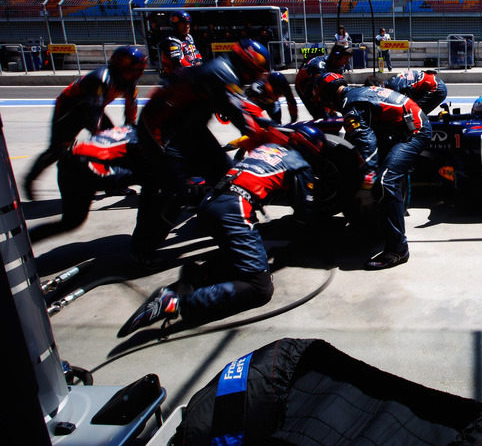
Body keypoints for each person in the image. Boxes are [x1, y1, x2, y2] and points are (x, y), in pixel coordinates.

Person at [117, 124, 325, 337]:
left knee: (245, 254)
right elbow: (304, 213)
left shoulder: (269, 148)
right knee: (258, 288)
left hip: (211, 201)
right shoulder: (300, 164)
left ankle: (196, 276)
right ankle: (176, 303)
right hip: (235, 208)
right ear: (311, 149)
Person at [131, 39, 286, 263]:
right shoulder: (221, 73)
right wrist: (271, 135)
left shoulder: (226, 72)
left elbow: (243, 107)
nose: (255, 78)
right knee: (174, 193)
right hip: (162, 131)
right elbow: (241, 114)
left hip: (188, 128)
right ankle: (142, 251)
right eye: (254, 72)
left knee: (226, 174)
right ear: (245, 65)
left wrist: (270, 127)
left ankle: (227, 223)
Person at [313, 73, 432, 270]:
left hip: (414, 132)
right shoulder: (355, 94)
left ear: (328, 95)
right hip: (403, 126)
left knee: (385, 180)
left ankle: (398, 250)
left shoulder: (350, 106)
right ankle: (387, 219)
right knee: (379, 170)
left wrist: (367, 185)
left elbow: (368, 147)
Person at [23, 46, 147, 200]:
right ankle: (29, 179)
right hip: (69, 110)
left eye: (140, 69)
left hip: (93, 109)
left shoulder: (129, 81)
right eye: (135, 69)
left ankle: (113, 184)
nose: (138, 74)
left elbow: (131, 107)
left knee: (115, 143)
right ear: (121, 66)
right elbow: (93, 112)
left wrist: (129, 129)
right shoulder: (100, 79)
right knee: (57, 150)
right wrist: (100, 139)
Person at [29, 125, 144, 240]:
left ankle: (26, 238)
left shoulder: (129, 128)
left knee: (71, 221)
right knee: (153, 181)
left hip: (69, 160)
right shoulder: (146, 141)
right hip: (87, 169)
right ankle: (143, 247)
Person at [159, 10, 203, 83]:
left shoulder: (189, 37)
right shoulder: (172, 41)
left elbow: (196, 53)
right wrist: (195, 71)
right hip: (176, 79)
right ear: (175, 25)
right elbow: (179, 62)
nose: (187, 26)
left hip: (190, 76)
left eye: (188, 23)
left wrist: (199, 63)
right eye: (183, 24)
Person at [379, 69, 448, 115]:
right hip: (429, 84)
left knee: (415, 112)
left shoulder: (395, 86)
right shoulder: (392, 80)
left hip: (436, 88)